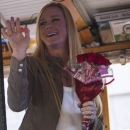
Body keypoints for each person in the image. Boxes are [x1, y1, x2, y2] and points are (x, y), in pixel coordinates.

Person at [2, 2, 104, 130]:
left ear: (69, 26)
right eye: (42, 23)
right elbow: (16, 105)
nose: (48, 26)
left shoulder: (87, 69)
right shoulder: (33, 65)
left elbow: (100, 125)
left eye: (55, 20)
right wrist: (18, 52)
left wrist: (93, 119)